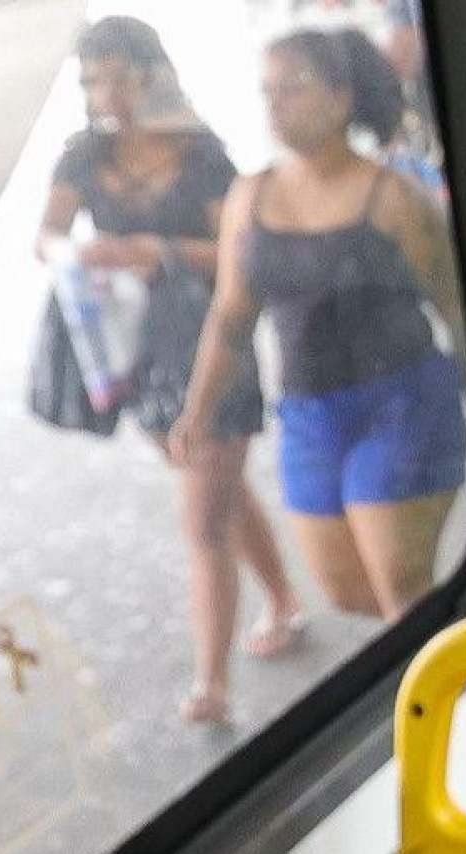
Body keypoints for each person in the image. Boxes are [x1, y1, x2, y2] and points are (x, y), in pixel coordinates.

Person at [38, 15, 304, 727]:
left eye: (121, 76)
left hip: (214, 346)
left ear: (151, 76)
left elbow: (241, 258)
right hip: (136, 352)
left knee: (201, 521)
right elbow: (47, 236)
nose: (108, 93)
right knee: (214, 489)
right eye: (94, 78)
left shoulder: (201, 156)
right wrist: (77, 255)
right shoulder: (83, 157)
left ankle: (211, 685)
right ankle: (283, 599)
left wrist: (155, 250)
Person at [174, 27, 465, 674]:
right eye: (266, 92)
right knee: (347, 593)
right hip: (307, 414)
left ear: (340, 96)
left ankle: (450, 714)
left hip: (404, 402)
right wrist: (198, 410)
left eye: (293, 88)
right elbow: (230, 316)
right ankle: (463, 638)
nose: (275, 105)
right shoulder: (250, 197)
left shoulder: (393, 199)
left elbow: (457, 306)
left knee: (398, 588)